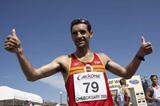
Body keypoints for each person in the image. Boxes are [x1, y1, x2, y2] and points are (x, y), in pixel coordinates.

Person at [4, 18, 152, 106]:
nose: (79, 36)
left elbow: (127, 74)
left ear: (91, 34)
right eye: (74, 33)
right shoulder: (64, 61)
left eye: (82, 32)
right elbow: (32, 75)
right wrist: (20, 52)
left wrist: (139, 54)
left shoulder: (102, 58)